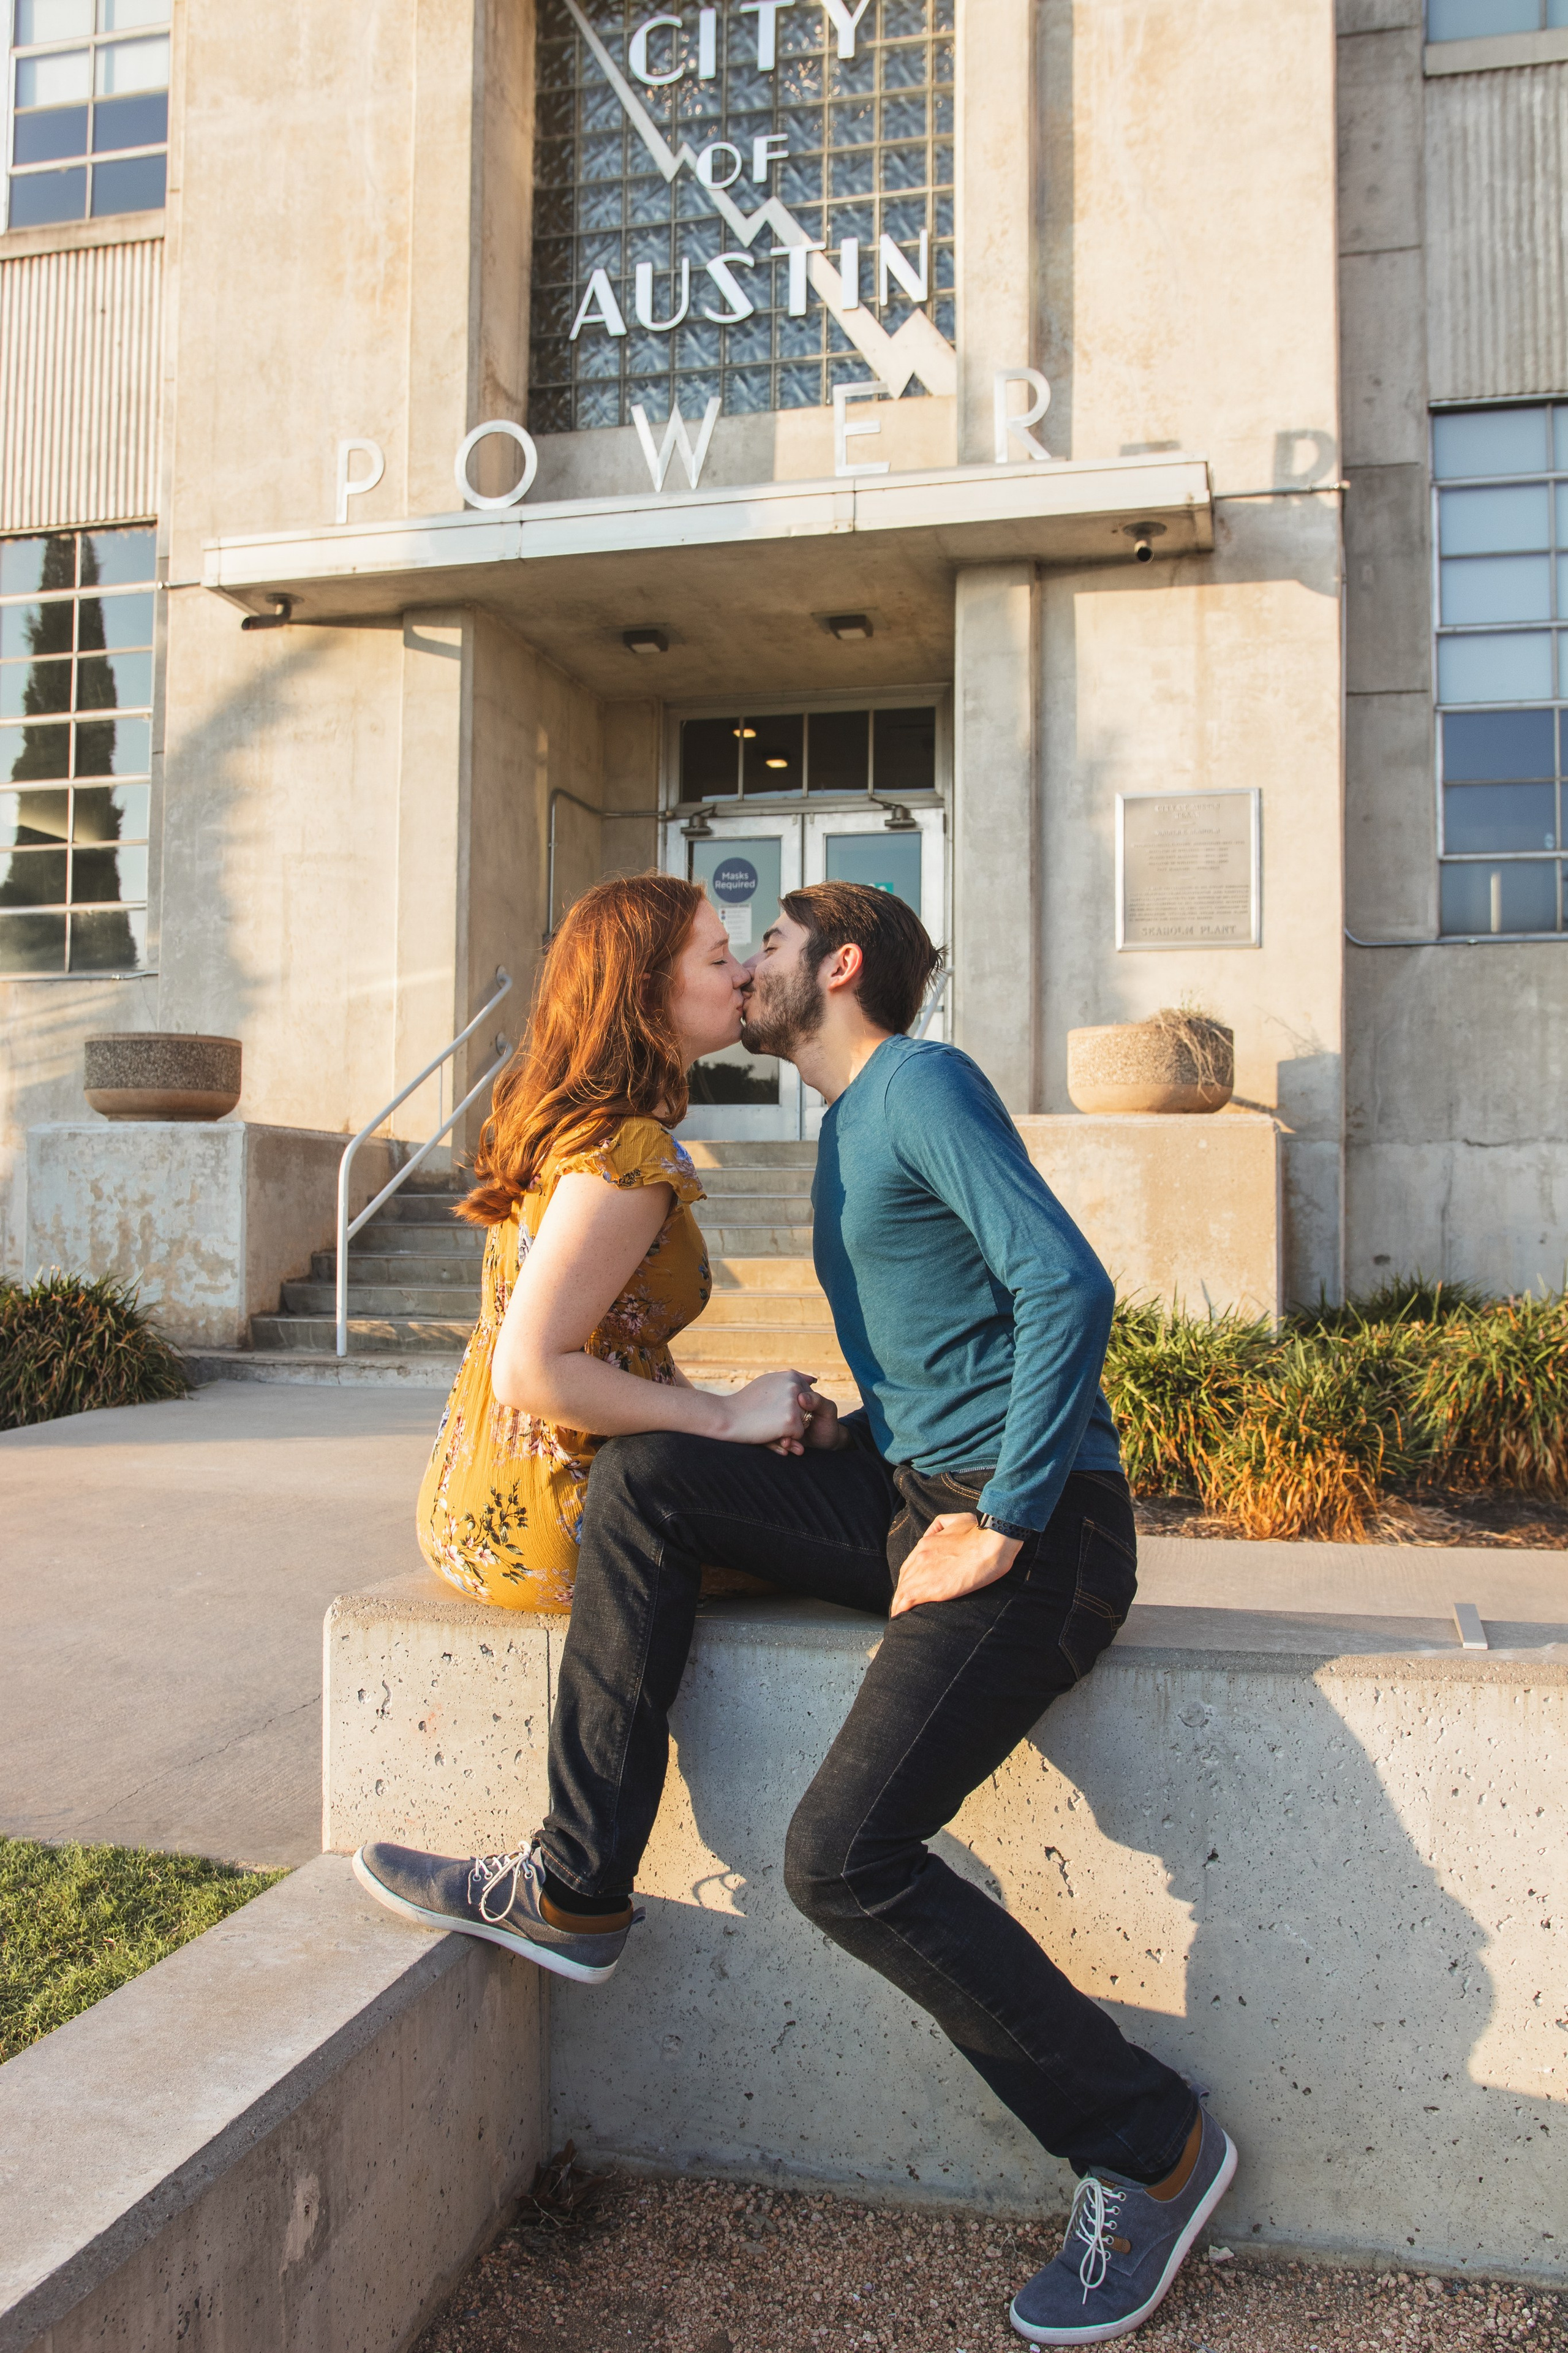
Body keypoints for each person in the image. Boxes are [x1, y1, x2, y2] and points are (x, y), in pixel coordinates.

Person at [360, 877, 1237, 2347]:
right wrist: (799, 1432)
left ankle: (1151, 2149)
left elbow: (1065, 1289)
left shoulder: (918, 1082)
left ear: (834, 967)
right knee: (651, 1474)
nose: (741, 959)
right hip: (919, 1491)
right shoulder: (846, 1131)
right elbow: (942, 1349)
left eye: (760, 945)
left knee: (841, 1857)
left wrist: (1007, 1517)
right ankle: (578, 1884)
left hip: (1042, 1532)